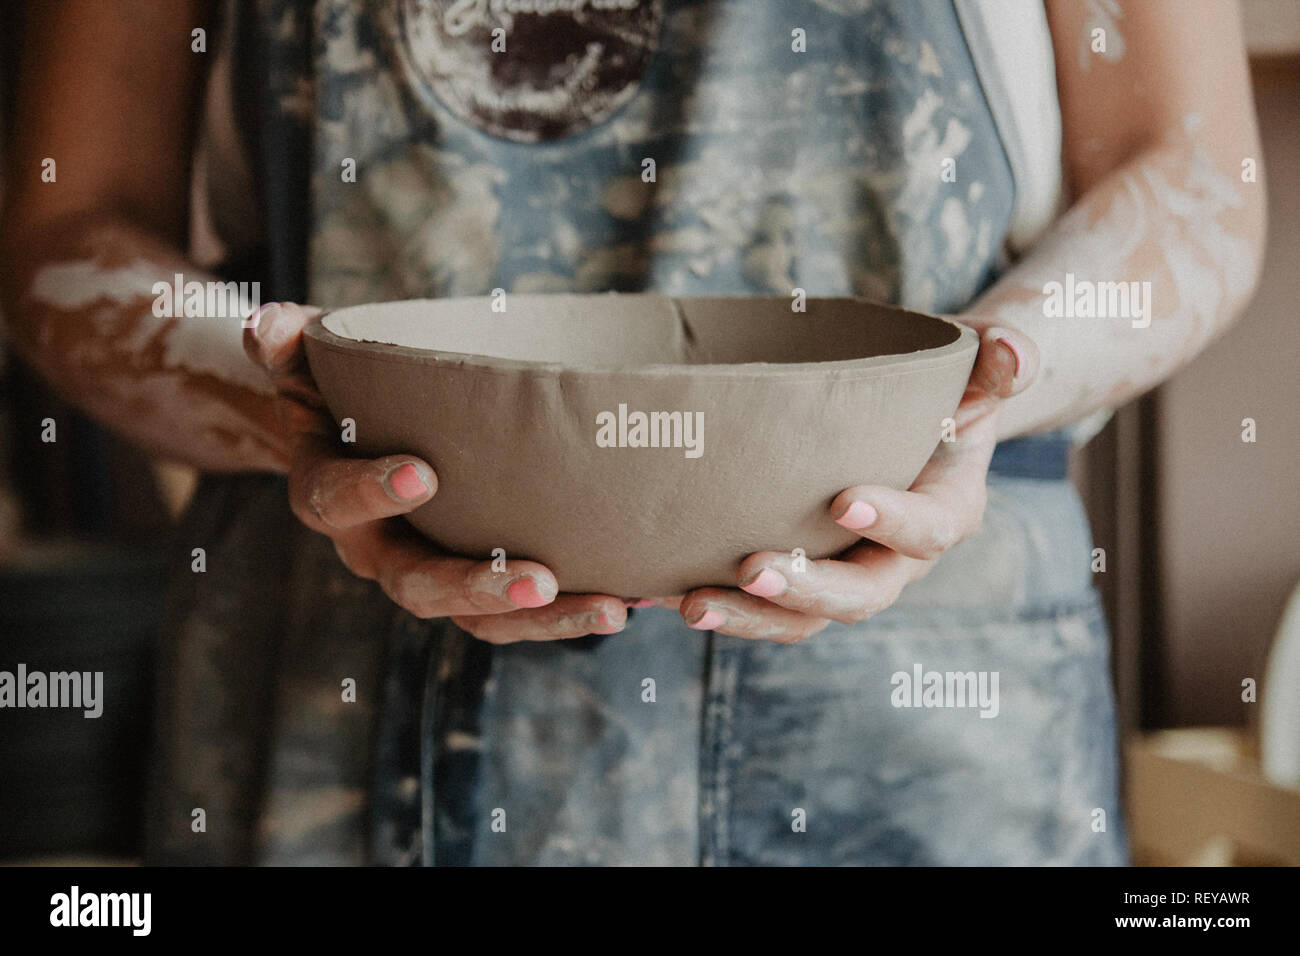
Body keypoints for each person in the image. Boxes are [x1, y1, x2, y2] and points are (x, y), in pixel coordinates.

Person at [0, 0, 1264, 865]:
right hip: (337, 652)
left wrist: (994, 375)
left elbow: (1192, 174)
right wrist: (288, 400)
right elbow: (68, 224)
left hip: (919, 686)